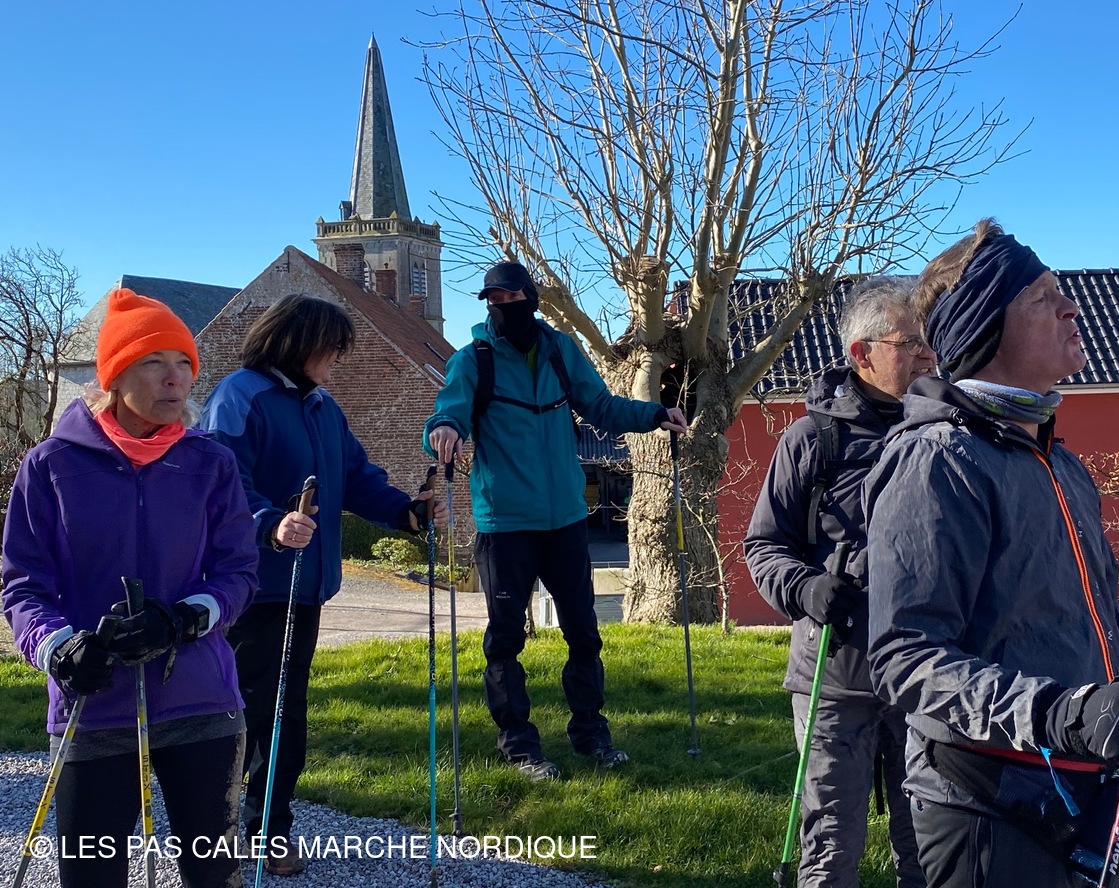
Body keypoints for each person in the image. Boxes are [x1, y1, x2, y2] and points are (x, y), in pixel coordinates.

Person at [862, 219, 1119, 888]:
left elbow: (1090, 627)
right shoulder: (938, 463)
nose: (1071, 306)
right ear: (983, 331)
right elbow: (905, 658)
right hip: (983, 809)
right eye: (1042, 297)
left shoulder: (1058, 463)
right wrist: (1069, 713)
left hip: (1074, 799)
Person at [2, 288, 258, 888]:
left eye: (184, 363)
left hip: (201, 701)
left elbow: (238, 573)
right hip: (92, 706)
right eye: (154, 362)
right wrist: (59, 647)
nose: (176, 379)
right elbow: (22, 586)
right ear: (114, 376)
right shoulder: (51, 465)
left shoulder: (210, 463)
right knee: (91, 875)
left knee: (214, 874)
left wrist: (185, 618)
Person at [199, 294, 444, 876]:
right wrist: (270, 524)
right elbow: (221, 482)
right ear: (298, 342)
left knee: (286, 714)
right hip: (253, 588)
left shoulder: (321, 405)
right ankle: (231, 831)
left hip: (304, 588)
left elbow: (354, 477)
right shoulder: (238, 396)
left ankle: (268, 828)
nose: (337, 358)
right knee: (253, 713)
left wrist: (405, 512)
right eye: (331, 347)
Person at [424, 260, 688, 779]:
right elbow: (446, 412)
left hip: (565, 518)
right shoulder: (472, 360)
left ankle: (591, 734)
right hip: (504, 523)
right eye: (493, 301)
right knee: (505, 640)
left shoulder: (561, 350)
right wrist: (444, 431)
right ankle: (519, 745)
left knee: (584, 633)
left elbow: (602, 407)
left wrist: (656, 415)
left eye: (510, 298)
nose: (501, 308)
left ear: (531, 298)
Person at [745, 276, 931, 888]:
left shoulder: (946, 433)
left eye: (929, 341)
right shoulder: (811, 442)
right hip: (836, 675)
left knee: (931, 847)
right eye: (910, 343)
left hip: (930, 674)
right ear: (862, 353)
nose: (928, 354)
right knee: (830, 846)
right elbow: (764, 545)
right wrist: (805, 589)